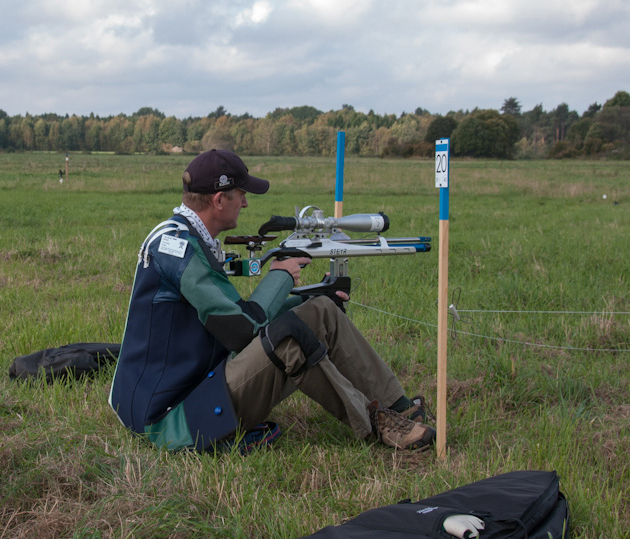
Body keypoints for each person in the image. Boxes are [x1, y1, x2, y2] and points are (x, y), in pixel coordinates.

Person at [108, 149, 435, 453]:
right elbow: (242, 330)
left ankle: (399, 405)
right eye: (242, 195)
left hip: (193, 387)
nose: (246, 203)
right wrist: (280, 274)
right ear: (220, 200)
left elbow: (234, 314)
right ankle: (377, 425)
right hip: (170, 420)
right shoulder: (179, 249)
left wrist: (311, 299)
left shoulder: (184, 238)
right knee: (289, 342)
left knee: (321, 311)